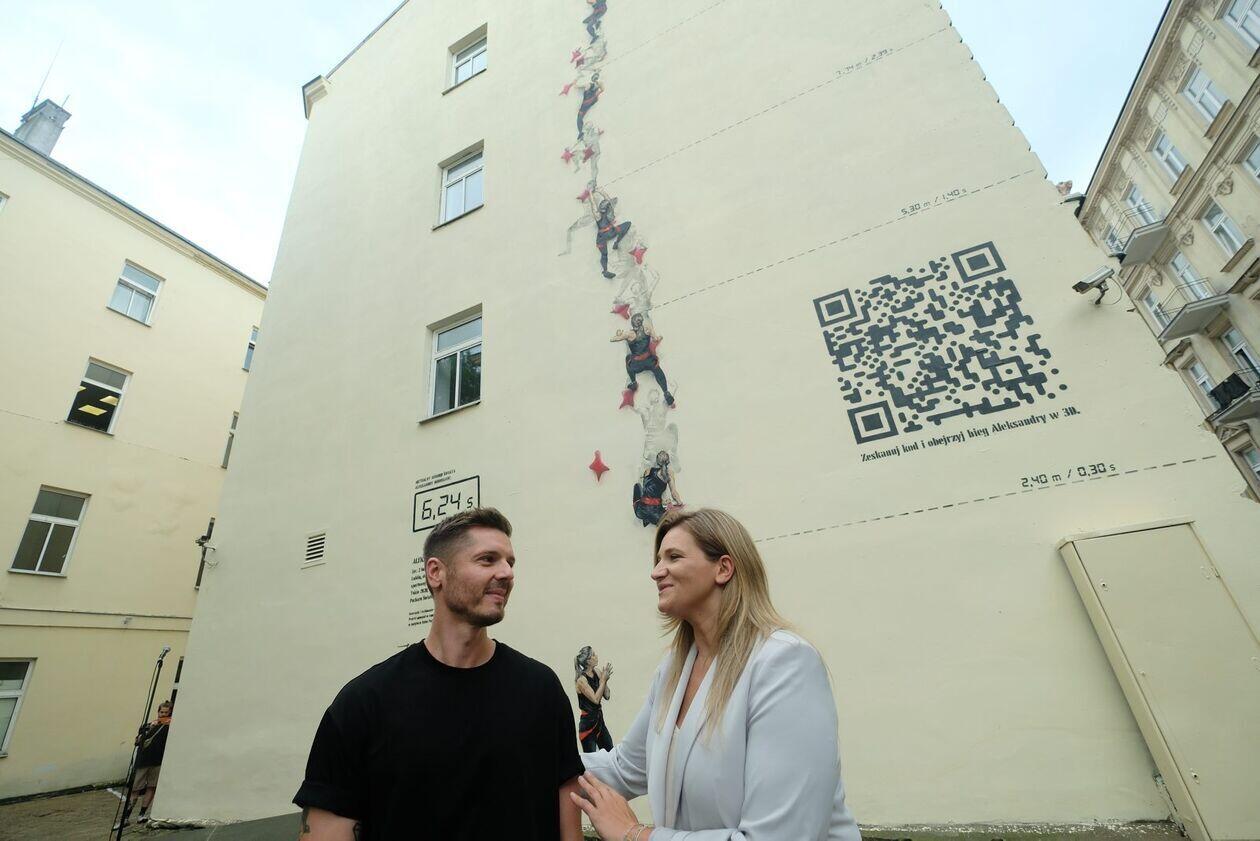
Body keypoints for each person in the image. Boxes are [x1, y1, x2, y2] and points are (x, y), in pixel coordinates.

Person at [294, 508, 585, 840]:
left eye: (510, 562)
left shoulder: (541, 691)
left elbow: (568, 822)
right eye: (487, 560)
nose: (506, 573)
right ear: (436, 573)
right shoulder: (363, 704)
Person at [570, 508, 861, 841]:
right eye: (658, 559)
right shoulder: (673, 671)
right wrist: (534, 751)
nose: (656, 572)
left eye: (673, 557)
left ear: (723, 568)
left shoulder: (784, 663)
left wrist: (635, 834)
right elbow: (624, 768)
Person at [120, 699, 172, 827]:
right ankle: (126, 817)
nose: (163, 714)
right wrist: (147, 731)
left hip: (158, 761)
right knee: (135, 789)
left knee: (152, 787)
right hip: (143, 761)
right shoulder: (147, 726)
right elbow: (137, 742)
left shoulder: (170, 727)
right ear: (158, 712)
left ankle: (142, 814)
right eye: (161, 712)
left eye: (166, 712)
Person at [613, 314, 674, 405]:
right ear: (641, 321)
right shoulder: (648, 329)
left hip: (637, 364)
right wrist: (659, 337)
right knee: (659, 373)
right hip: (649, 361)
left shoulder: (629, 334)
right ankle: (666, 392)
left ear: (632, 323)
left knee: (628, 359)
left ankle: (634, 382)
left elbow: (613, 339)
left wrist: (619, 335)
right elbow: (656, 338)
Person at [575, 646, 614, 752]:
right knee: (591, 758)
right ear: (588, 661)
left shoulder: (597, 672)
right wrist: (603, 680)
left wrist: (605, 680)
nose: (596, 656)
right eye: (593, 655)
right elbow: (596, 700)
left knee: (610, 752)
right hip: (588, 727)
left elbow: (607, 695)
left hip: (600, 722)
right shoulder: (581, 680)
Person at [633, 451, 681, 527]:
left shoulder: (648, 471)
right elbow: (674, 493)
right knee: (674, 517)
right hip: (656, 516)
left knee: (637, 486)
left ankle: (645, 517)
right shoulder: (669, 473)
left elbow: (649, 490)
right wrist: (680, 503)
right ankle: (652, 516)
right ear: (668, 461)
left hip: (640, 512)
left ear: (657, 461)